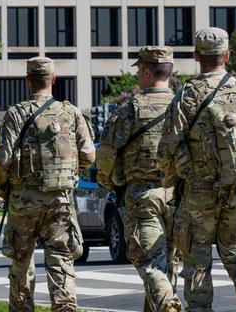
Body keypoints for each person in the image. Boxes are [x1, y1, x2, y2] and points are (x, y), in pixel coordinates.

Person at [158, 27, 236, 312]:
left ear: (196, 55)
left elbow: (166, 149)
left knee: (197, 262)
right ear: (227, 55)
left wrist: (177, 176)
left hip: (199, 191)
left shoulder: (187, 95)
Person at [0, 57, 96, 312]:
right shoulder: (71, 113)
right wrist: (69, 174)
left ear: (27, 80)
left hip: (22, 200)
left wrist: (3, 187)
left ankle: (21, 308)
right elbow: (89, 155)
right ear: (53, 80)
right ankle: (64, 308)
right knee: (61, 259)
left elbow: (3, 160)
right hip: (58, 199)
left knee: (20, 262)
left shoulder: (16, 114)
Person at [96, 46, 183, 312]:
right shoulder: (186, 108)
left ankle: (168, 304)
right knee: (169, 263)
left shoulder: (130, 110)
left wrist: (108, 181)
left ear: (146, 71)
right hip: (179, 196)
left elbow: (107, 155)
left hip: (142, 196)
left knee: (150, 262)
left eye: (139, 71)